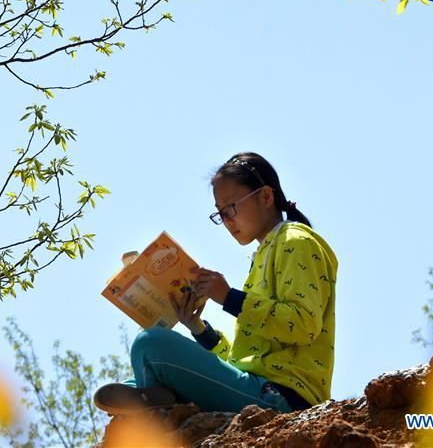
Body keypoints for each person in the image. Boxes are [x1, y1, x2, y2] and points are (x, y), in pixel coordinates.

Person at [93, 152, 338, 416]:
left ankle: (160, 411)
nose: (227, 220)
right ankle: (159, 404)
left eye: (231, 207)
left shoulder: (296, 241)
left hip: (282, 398)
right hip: (255, 389)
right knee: (142, 372)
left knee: (150, 345)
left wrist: (229, 298)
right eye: (221, 214)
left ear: (266, 197)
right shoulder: (263, 255)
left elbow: (303, 325)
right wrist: (198, 329)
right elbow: (241, 361)